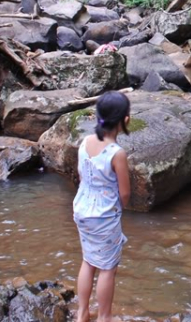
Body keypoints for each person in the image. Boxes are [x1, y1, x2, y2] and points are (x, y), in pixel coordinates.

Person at [73, 91, 131, 322]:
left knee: (88, 261)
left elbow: (81, 175)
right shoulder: (117, 153)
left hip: (82, 210)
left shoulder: (85, 142)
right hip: (104, 216)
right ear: (124, 120)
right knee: (107, 268)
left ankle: (82, 313)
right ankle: (104, 317)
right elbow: (125, 192)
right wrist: (120, 208)